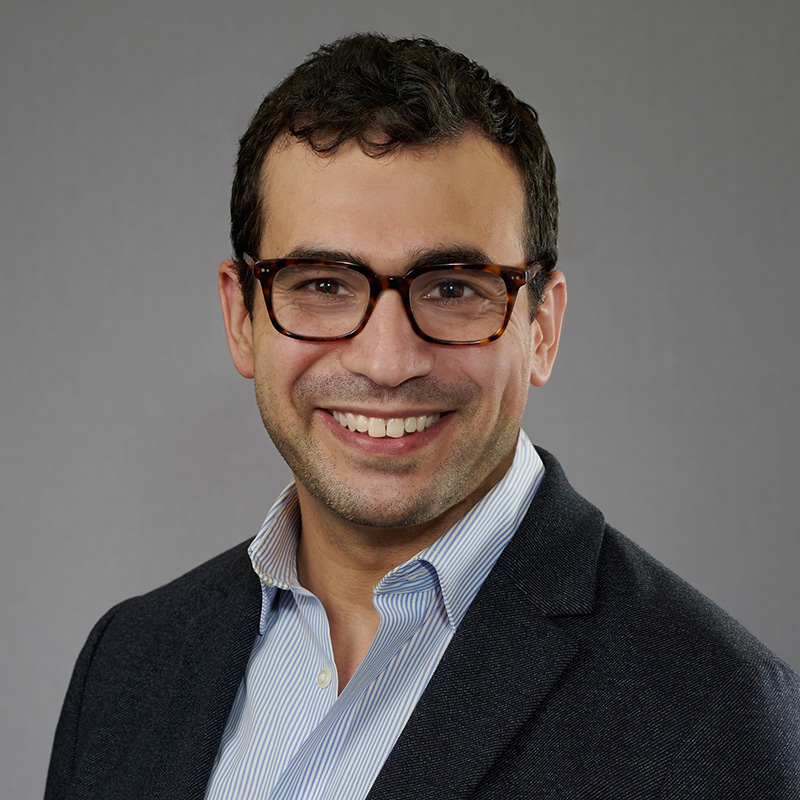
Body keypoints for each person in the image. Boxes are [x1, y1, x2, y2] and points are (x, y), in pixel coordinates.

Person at [45, 33, 799, 800]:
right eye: (323, 284)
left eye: (452, 288)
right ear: (242, 318)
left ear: (541, 329)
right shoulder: (128, 665)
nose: (387, 360)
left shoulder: (716, 720)